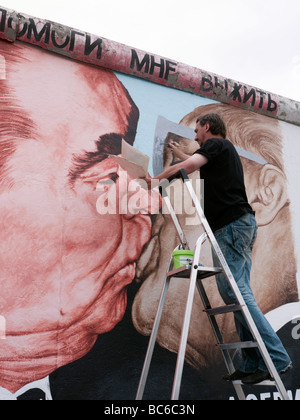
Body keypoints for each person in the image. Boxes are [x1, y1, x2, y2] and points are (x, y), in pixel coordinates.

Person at [148, 112, 292, 385]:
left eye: (197, 130)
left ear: (207, 126)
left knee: (238, 292)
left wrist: (155, 180)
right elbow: (193, 155)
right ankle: (251, 362)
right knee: (232, 291)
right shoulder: (220, 151)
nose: (195, 135)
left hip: (232, 227)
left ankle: (277, 358)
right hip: (235, 227)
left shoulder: (217, 144)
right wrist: (180, 151)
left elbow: (187, 166)